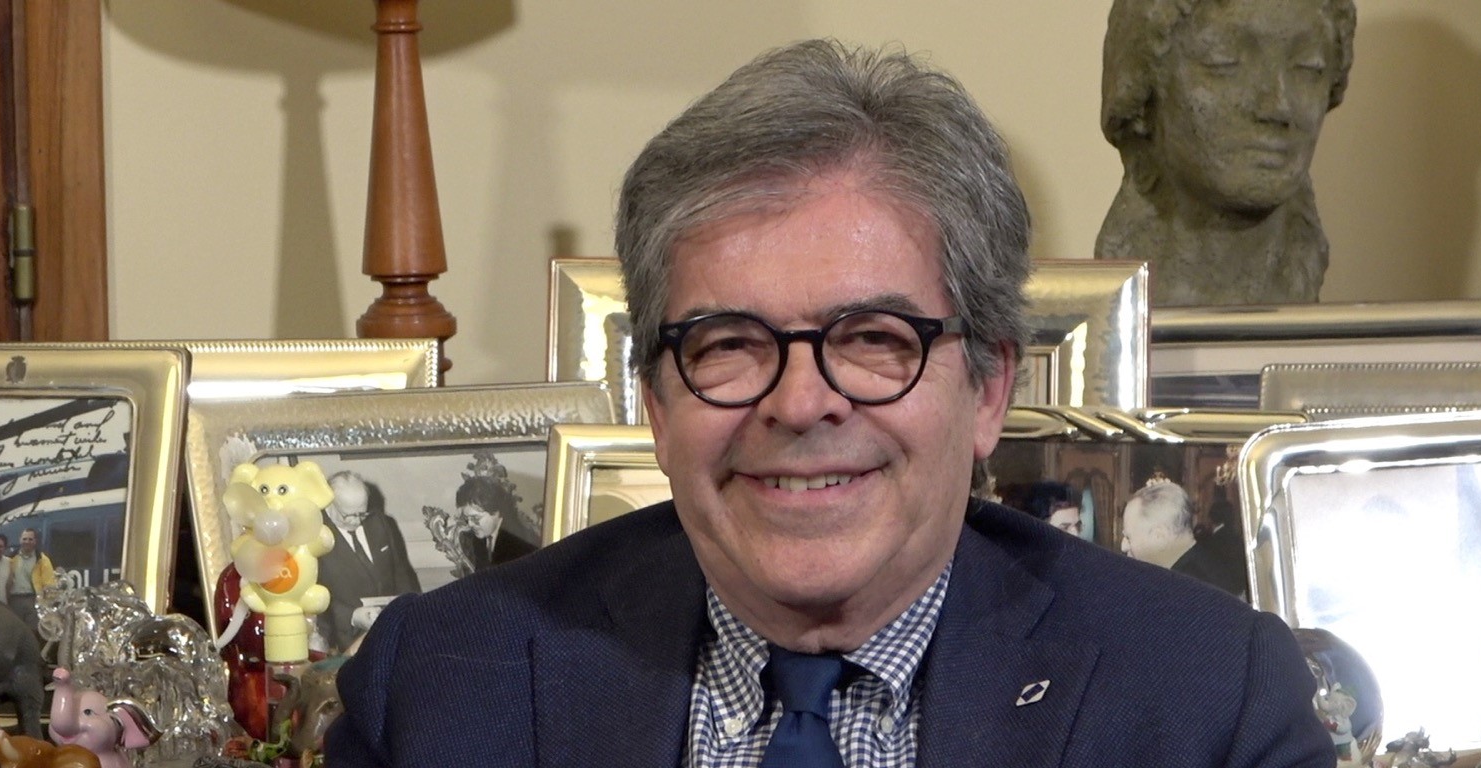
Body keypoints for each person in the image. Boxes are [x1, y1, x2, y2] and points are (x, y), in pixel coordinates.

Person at [328, 39, 1333, 766]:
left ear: (989, 387)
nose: (802, 402)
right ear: (653, 401)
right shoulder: (442, 685)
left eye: (872, 339)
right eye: (728, 344)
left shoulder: (1207, 702)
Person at [1095, 0, 1357, 306]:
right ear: (1144, 92)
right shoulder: (1132, 301)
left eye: (1309, 67)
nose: (1278, 106)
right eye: (1225, 63)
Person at [315, 471, 420, 652]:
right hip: (341, 643)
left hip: (390, 634)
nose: (357, 521)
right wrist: (352, 616)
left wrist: (410, 612)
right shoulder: (314, 536)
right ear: (329, 504)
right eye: (348, 515)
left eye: (362, 513)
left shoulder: (382, 523)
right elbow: (313, 598)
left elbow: (403, 574)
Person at [6, 527, 56, 630]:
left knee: (32, 631)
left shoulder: (42, 560)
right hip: (14, 600)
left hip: (33, 600)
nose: (27, 542)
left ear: (35, 541)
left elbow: (49, 584)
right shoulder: (10, 558)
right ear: (20, 540)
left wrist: (47, 603)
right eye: (24, 539)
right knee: (15, 630)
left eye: (30, 539)